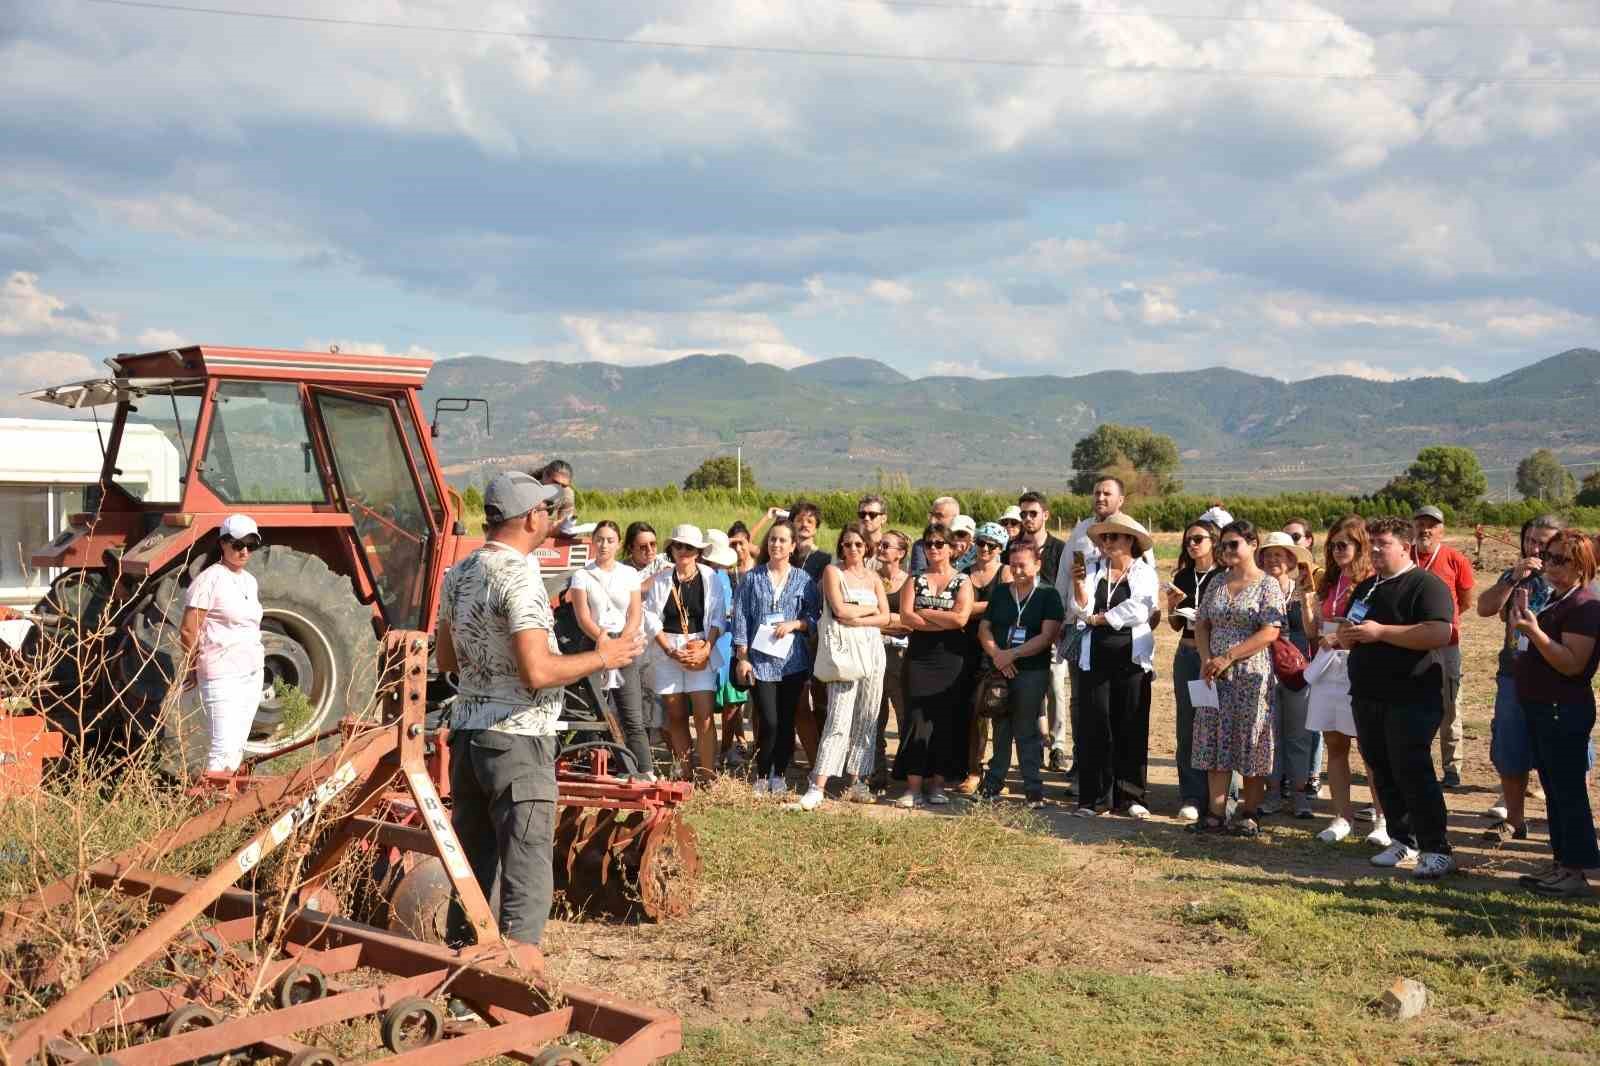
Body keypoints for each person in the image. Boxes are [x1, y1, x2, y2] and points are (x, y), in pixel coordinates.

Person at [437, 472, 643, 947]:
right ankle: (516, 984)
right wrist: (603, 657)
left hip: (469, 734)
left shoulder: (462, 572)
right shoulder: (521, 576)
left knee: (473, 868)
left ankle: (463, 982)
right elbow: (536, 670)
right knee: (527, 872)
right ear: (531, 517)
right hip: (519, 737)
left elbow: (447, 660)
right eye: (548, 510)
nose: (553, 517)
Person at [1339, 515, 1456, 880]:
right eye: (1370, 544)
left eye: (1382, 544)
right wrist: (1347, 636)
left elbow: (1439, 632)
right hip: (1368, 695)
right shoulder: (1368, 587)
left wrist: (1381, 632)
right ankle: (1402, 839)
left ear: (1405, 547)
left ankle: (1437, 848)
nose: (1373, 551)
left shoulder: (1426, 585)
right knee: (1381, 767)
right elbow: (1353, 629)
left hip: (1412, 695)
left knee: (1412, 770)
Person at [1509, 529, 1600, 896]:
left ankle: (1575, 872)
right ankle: (1561, 863)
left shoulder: (1584, 606)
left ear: (1582, 565)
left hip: (1564, 709)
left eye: (1561, 559)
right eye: (1548, 556)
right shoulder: (1556, 598)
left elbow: (1573, 664)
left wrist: (1535, 633)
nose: (1550, 564)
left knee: (1568, 792)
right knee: (1553, 787)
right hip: (1542, 706)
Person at [1057, 478, 1157, 780]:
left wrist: (1102, 619)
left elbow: (1144, 602)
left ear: (1121, 500)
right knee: (1086, 708)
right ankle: (1086, 773)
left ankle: (1126, 788)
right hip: (1084, 636)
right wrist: (1066, 618)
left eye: (1107, 493)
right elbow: (1067, 578)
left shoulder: (1136, 540)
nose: (1100, 497)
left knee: (1127, 716)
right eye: (1097, 492)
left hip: (1127, 646)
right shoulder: (1080, 530)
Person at [1192, 520, 1285, 836]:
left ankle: (1249, 812)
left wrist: (1229, 656)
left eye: (1234, 544)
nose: (1226, 550)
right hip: (1212, 675)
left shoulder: (1267, 584)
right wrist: (1207, 659)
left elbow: (1270, 631)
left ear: (1253, 544)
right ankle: (1215, 814)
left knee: (1249, 741)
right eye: (1223, 545)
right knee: (1213, 740)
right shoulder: (1217, 581)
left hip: (1249, 674)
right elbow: (1201, 623)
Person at [1476, 515, 1564, 843]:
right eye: (1531, 540)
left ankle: (1562, 825)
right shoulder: (1514, 576)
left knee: (1557, 753)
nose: (1536, 547)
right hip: (1513, 674)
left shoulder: (1568, 577)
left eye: (1544, 542)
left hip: (1556, 677)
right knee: (1510, 748)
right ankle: (1514, 821)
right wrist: (1512, 579)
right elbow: (1485, 608)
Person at [1068, 514, 1159, 818]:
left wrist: (1099, 618)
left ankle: (1131, 796)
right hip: (1094, 656)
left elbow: (1141, 609)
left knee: (1131, 724)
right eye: (1104, 538)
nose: (1107, 543)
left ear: (1130, 541)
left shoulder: (1144, 573)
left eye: (1114, 537)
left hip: (1131, 658)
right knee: (1095, 725)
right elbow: (1079, 608)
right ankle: (1095, 798)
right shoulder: (1093, 569)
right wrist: (1079, 584)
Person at [1304, 515, 1386, 846]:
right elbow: (1312, 631)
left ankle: (1383, 819)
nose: (1337, 551)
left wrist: (1338, 637)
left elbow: (1369, 623)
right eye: (1333, 545)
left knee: (1371, 750)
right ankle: (1342, 816)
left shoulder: (1372, 580)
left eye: (1344, 545)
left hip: (1359, 666)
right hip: (1327, 667)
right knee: (1335, 745)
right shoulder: (1328, 581)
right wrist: (1305, 598)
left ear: (1360, 546)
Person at [801, 524, 892, 809]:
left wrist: (861, 616)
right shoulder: (833, 572)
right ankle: (818, 783)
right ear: (841, 546)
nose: (852, 549)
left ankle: (858, 781)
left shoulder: (875, 577)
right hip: (843, 648)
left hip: (873, 648)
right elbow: (839, 611)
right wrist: (870, 610)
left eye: (858, 544)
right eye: (847, 544)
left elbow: (886, 617)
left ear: (867, 547)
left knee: (868, 716)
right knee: (838, 717)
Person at [731, 519, 821, 795]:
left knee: (786, 721)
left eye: (783, 540)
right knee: (767, 720)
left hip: (792, 662)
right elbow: (741, 618)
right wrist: (742, 657)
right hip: (760, 662)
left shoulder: (804, 580)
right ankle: (761, 773)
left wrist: (795, 624)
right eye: (772, 539)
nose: (776, 544)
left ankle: (779, 774)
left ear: (793, 546)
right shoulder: (752, 578)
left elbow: (814, 617)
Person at [977, 540, 1064, 808]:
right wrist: (997, 656)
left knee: (1026, 729)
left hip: (1031, 671)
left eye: (1022, 565)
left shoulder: (1048, 594)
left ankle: (1033, 788)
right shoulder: (1002, 592)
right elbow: (984, 629)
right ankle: (993, 784)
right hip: (1000, 670)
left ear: (1037, 565)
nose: (1016, 570)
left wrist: (1011, 655)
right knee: (1000, 727)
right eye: (1012, 565)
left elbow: (1047, 635)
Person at [894, 522, 973, 808]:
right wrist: (943, 618)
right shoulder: (913, 580)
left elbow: (961, 619)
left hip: (951, 661)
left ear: (952, 548)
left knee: (944, 720)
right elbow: (906, 617)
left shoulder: (963, 581)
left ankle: (938, 784)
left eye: (940, 544)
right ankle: (913, 786)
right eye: (928, 544)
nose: (934, 549)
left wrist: (925, 612)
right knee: (916, 720)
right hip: (919, 660)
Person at [180, 514, 265, 773]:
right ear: (223, 544)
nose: (244, 551)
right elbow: (187, 630)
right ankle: (211, 807)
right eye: (238, 545)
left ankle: (228, 804)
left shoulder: (249, 581)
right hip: (221, 674)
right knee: (222, 746)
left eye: (251, 545)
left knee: (238, 745)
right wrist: (193, 667)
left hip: (252, 673)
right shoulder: (209, 579)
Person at [642, 525, 727, 780]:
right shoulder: (661, 580)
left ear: (698, 552)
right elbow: (650, 619)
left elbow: (718, 617)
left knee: (704, 714)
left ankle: (708, 773)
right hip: (667, 648)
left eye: (689, 547)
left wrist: (707, 648)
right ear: (672, 549)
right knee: (676, 714)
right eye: (678, 546)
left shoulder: (710, 577)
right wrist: (669, 650)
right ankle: (686, 772)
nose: (683, 551)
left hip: (699, 645)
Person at [567, 520, 652, 778]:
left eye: (609, 540)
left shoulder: (629, 574)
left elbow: (635, 614)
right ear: (593, 542)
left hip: (623, 642)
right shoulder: (582, 575)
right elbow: (582, 617)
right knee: (594, 712)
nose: (604, 545)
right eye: (600, 539)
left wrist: (622, 641)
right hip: (594, 642)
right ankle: (591, 766)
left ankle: (644, 770)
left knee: (631, 714)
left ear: (618, 545)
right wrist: (603, 639)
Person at [1411, 505, 1475, 788]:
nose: (1426, 529)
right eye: (1421, 523)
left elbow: (1466, 600)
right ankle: (1414, 761)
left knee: (1450, 704)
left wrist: (1441, 624)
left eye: (1432, 525)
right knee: (1412, 706)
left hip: (1447, 643)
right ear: (1413, 527)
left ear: (1442, 530)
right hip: (1410, 643)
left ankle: (1452, 768)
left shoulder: (1455, 559)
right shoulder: (1404, 557)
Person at [1258, 531, 1317, 819]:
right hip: (1263, 669)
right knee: (1270, 734)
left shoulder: (1302, 590)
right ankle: (1272, 794)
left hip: (1297, 671)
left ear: (1291, 559)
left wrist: (1307, 603)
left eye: (1279, 555)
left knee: (1299, 735)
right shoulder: (1256, 589)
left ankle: (1300, 795)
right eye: (1268, 555)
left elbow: (1312, 631)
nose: (1273, 560)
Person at [1167, 518, 1223, 821]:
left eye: (1198, 539)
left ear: (1213, 541)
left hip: (1214, 657)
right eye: (1188, 540)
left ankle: (1221, 794)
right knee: (1187, 726)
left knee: (1213, 724)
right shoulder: (1184, 576)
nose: (1192, 544)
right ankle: (1191, 794)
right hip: (1187, 655)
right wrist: (1172, 605)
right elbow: (1176, 625)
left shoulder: (1224, 577)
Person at [955, 521, 1008, 793]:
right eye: (981, 543)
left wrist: (969, 609)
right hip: (966, 649)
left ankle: (999, 773)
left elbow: (1009, 605)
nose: (985, 548)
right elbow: (958, 609)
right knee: (972, 712)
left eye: (992, 545)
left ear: (1001, 549)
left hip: (998, 649)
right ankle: (973, 770)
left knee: (999, 711)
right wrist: (985, 607)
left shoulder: (1007, 572)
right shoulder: (964, 573)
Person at [701, 529, 746, 770]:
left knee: (732, 702)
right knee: (704, 703)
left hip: (727, 642)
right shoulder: (698, 575)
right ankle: (708, 752)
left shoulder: (725, 574)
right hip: (706, 643)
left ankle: (726, 750)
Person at [872, 530, 913, 790]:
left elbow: (911, 622)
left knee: (904, 717)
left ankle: (906, 771)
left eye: (887, 545)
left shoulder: (910, 581)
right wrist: (892, 621)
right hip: (873, 655)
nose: (881, 548)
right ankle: (877, 772)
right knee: (874, 718)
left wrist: (878, 622)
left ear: (901, 552)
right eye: (880, 544)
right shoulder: (869, 579)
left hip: (902, 658)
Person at [909, 496, 961, 574]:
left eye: (939, 516)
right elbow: (919, 576)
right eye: (931, 515)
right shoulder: (921, 545)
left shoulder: (976, 545)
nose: (932, 521)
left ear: (955, 518)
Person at [858, 494, 889, 559]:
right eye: (862, 514)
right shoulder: (850, 546)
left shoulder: (891, 548)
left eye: (872, 515)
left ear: (883, 519)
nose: (866, 518)